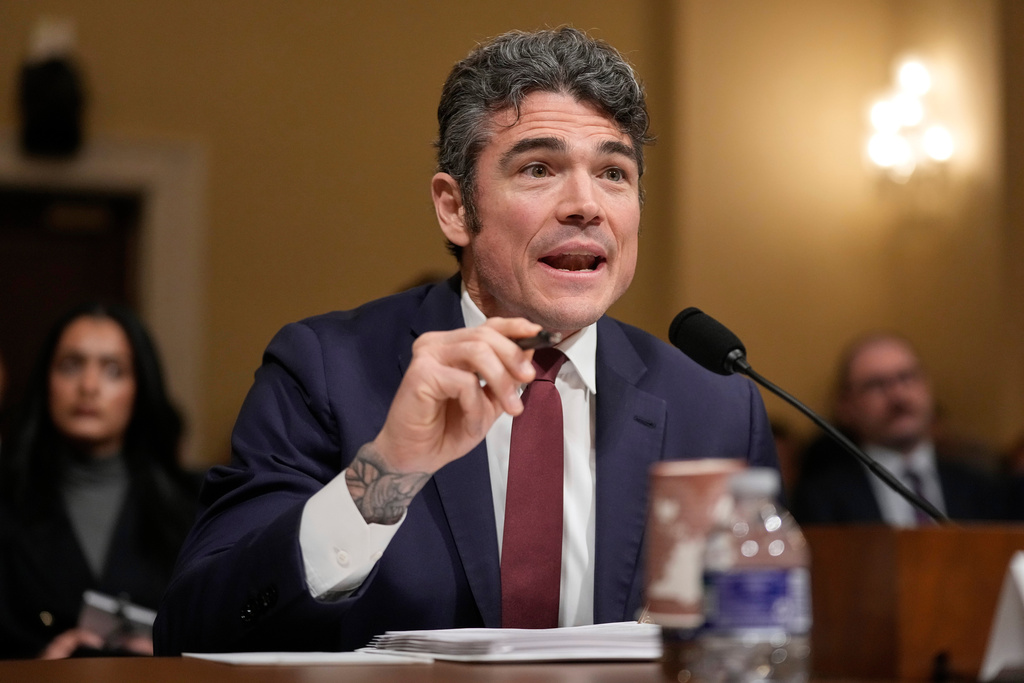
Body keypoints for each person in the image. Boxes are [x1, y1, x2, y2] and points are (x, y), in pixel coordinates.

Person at [154, 27, 778, 654]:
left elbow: (762, 644)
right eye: (539, 169)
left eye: (613, 173)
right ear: (455, 209)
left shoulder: (715, 408)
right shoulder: (325, 371)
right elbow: (193, 631)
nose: (586, 205)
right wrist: (387, 471)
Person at [0, 302, 201, 659]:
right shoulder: (7, 498)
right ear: (46, 381)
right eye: (71, 366)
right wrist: (36, 668)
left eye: (113, 370)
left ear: (140, 387)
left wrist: (168, 656)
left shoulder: (193, 504)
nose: (89, 386)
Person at [791, 332, 1004, 525]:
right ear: (847, 406)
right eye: (876, 384)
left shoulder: (982, 488)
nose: (898, 396)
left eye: (907, 377)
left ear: (928, 386)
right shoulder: (820, 498)